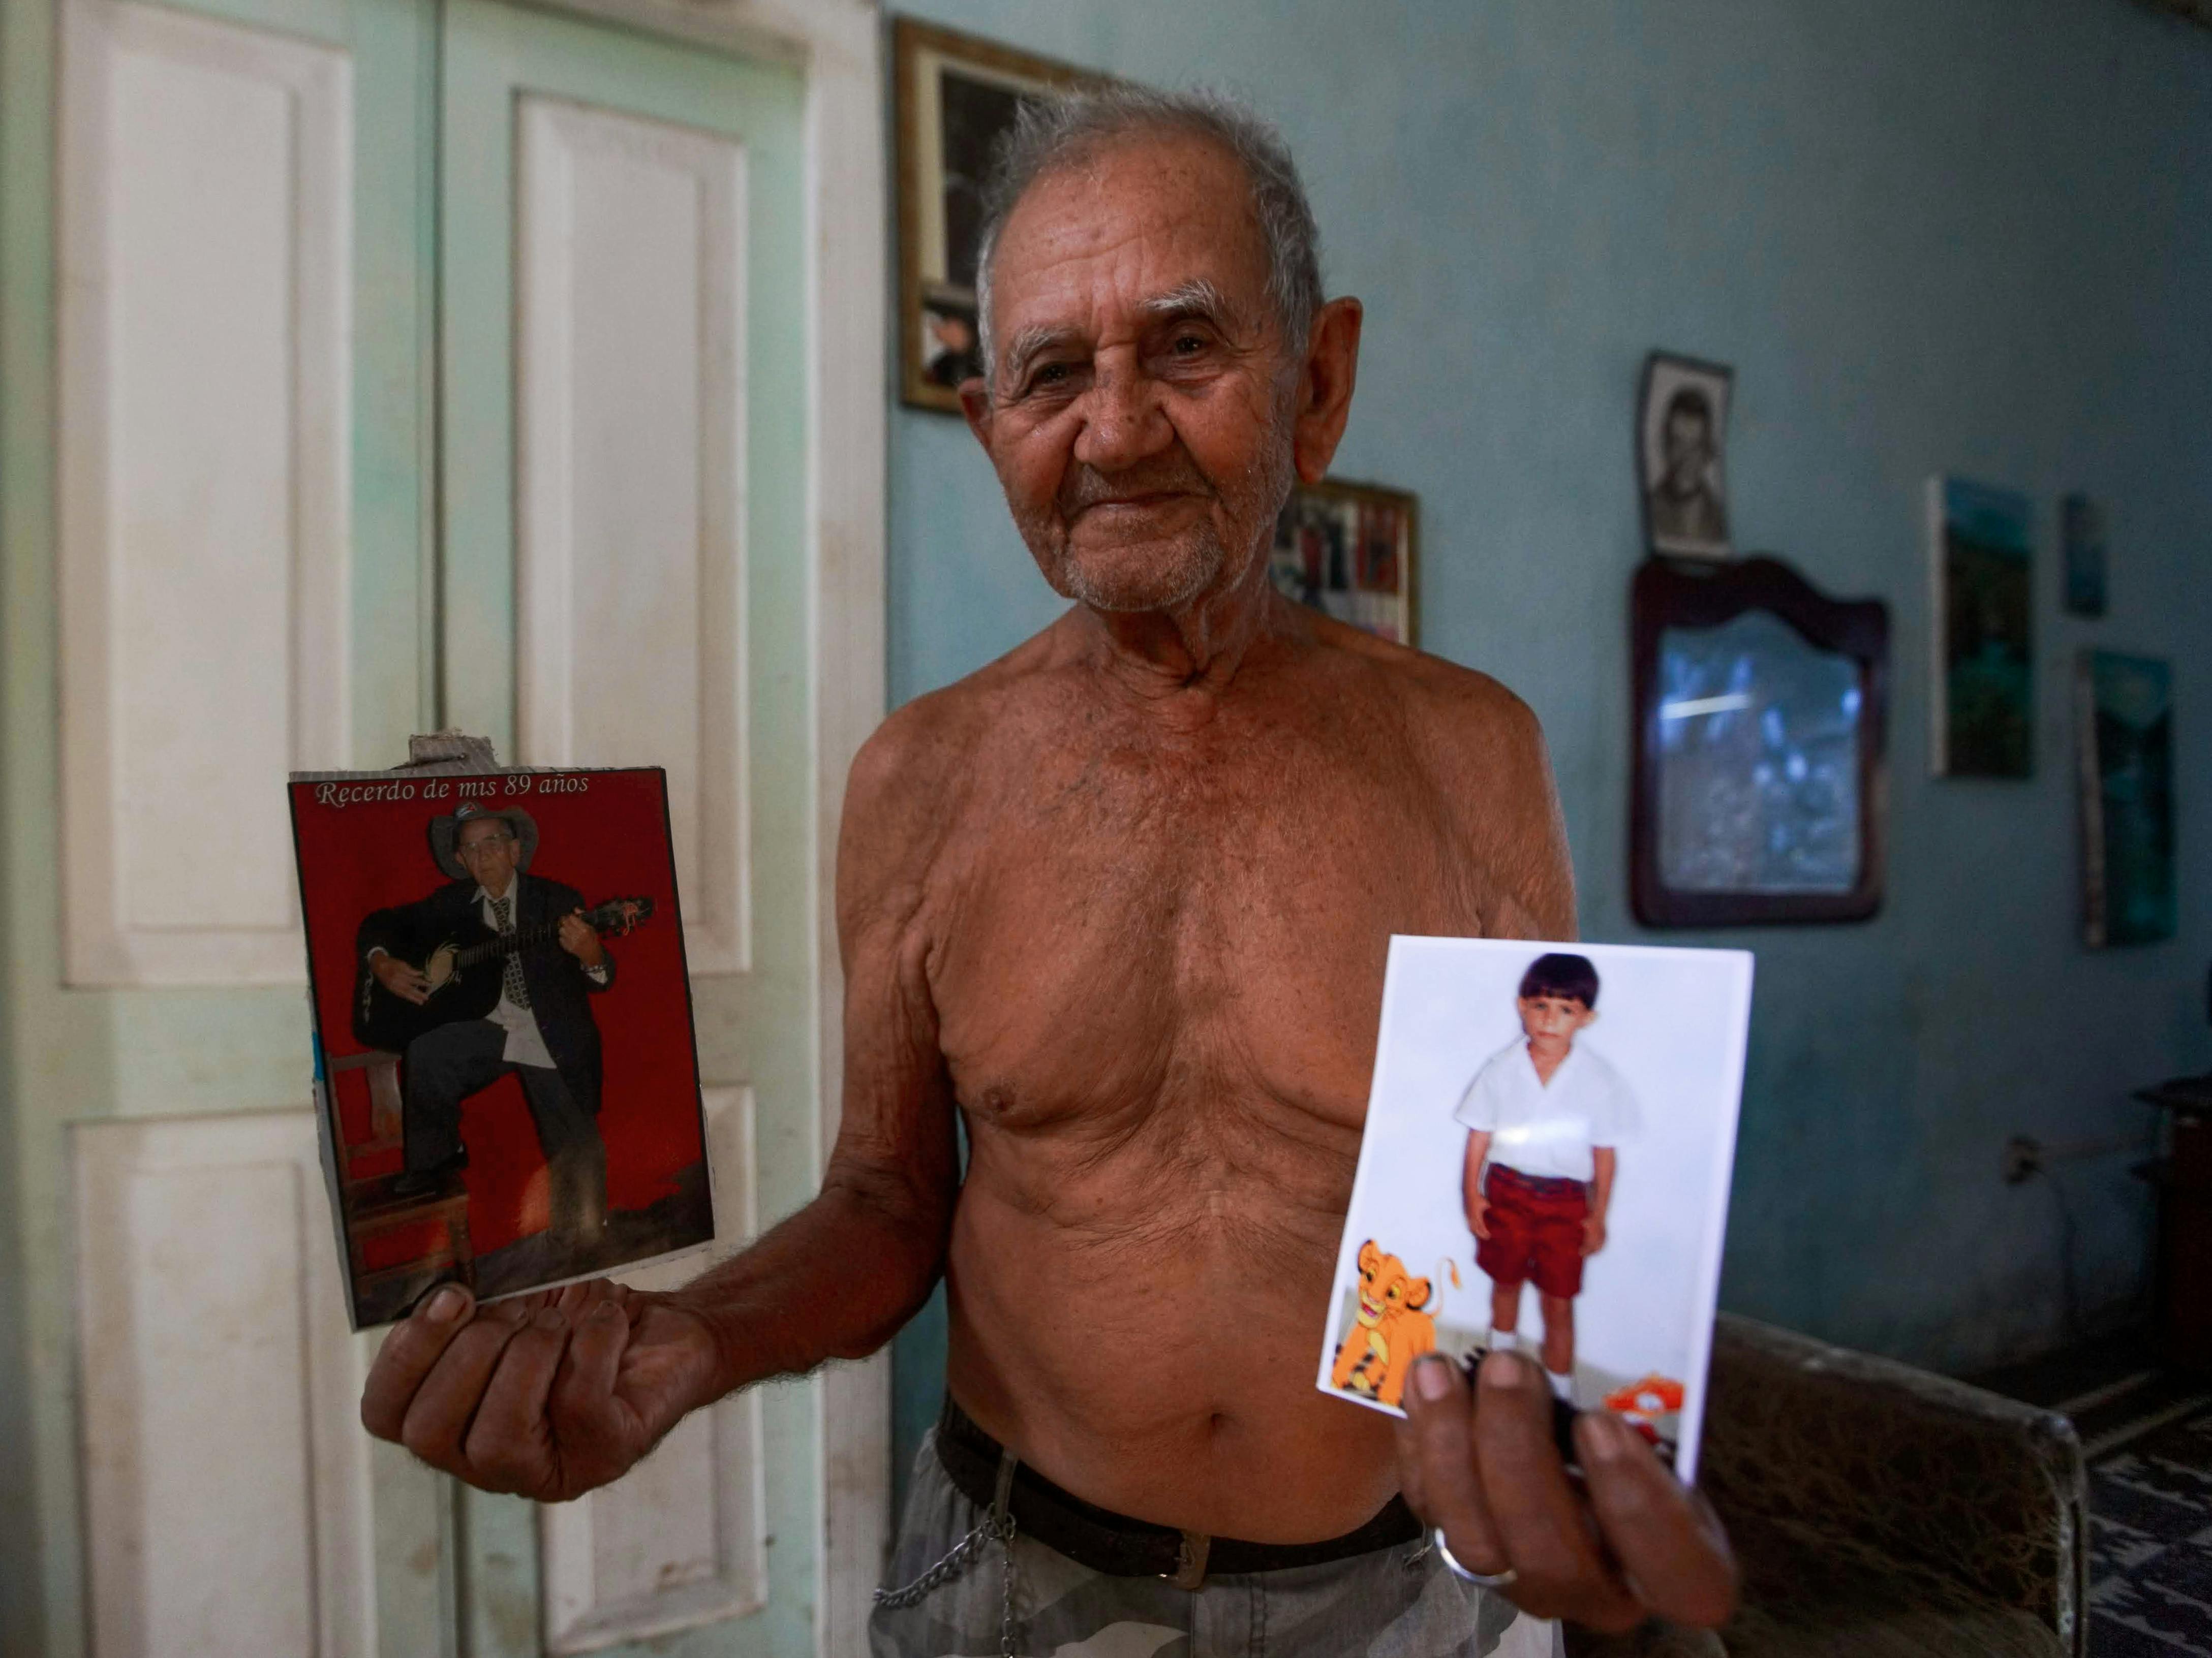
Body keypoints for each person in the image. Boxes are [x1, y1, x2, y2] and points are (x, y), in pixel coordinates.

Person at [359, 87, 1736, 1656]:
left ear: (1319, 381)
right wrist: (684, 1343)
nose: (1117, 430)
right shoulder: (923, 778)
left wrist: (1585, 1519)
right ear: (990, 422)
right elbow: (885, 1202)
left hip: (1394, 1590)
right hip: (1012, 1581)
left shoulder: (1471, 755)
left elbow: (1532, 1211)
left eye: (1187, 348)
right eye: (1053, 373)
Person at [361, 802, 616, 1256]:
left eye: (493, 843)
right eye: (470, 848)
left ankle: (581, 1243)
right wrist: (381, 962)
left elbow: (604, 975)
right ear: (460, 860)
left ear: (515, 850)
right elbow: (381, 923)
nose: (482, 856)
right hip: (491, 1026)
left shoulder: (555, 900)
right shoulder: (449, 905)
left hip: (547, 1031)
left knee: (576, 1146)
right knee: (427, 1051)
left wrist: (591, 954)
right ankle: (438, 1157)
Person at [1458, 953, 1639, 1402]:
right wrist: (1472, 1195)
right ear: (1522, 1006)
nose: (1550, 1020)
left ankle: (1559, 1395)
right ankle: (1496, 1370)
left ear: (1586, 1018)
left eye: (1565, 1010)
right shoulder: (1500, 1069)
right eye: (1541, 1006)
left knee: (1558, 1300)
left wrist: (1598, 1216)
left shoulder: (1599, 1079)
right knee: (1505, 1283)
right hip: (1507, 1192)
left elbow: (1604, 1155)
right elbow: (1479, 1137)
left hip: (1565, 1203)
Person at [1646, 385, 1729, 548]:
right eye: (1679, 443)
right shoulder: (1650, 508)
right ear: (1666, 446)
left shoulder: (1718, 516)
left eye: (1695, 446)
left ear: (1708, 451)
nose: (1686, 457)